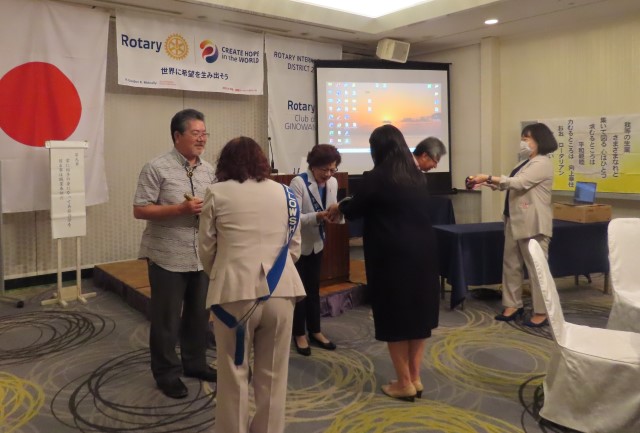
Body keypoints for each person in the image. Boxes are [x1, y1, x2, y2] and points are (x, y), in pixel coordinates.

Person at [198, 137, 305, 433]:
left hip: (233, 292)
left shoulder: (216, 192)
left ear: (225, 163)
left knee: (233, 373)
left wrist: (222, 273)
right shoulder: (286, 193)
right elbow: (294, 247)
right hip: (282, 290)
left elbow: (206, 249)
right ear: (261, 161)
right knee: (274, 375)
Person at [335, 124, 440, 402]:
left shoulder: (377, 177)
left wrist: (340, 206)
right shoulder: (417, 177)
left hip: (392, 256)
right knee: (417, 315)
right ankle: (415, 378)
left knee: (395, 315)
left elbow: (354, 209)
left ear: (377, 149)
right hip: (424, 253)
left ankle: (403, 383)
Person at [133, 108, 218, 399]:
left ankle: (195, 363)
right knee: (166, 319)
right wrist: (180, 209)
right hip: (167, 256)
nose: (202, 139)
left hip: (201, 256)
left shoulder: (209, 170)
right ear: (177, 136)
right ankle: (166, 373)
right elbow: (140, 209)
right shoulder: (156, 167)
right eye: (196, 133)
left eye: (204, 133)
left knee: (199, 315)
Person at [467, 122, 558, 327]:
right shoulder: (525, 163)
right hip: (514, 220)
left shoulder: (542, 163)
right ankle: (512, 305)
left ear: (539, 140)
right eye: (522, 138)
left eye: (526, 138)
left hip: (533, 223)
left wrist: (488, 176)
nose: (522, 142)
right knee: (511, 265)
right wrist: (487, 183)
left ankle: (542, 311)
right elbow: (511, 184)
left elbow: (519, 183)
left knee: (536, 270)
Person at [289, 144, 342, 356]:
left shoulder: (333, 182)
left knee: (313, 289)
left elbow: (333, 208)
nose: (328, 175)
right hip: (299, 246)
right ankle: (299, 333)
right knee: (299, 292)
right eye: (324, 170)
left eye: (332, 170)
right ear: (312, 166)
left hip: (317, 243)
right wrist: (318, 217)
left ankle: (315, 330)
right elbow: (294, 219)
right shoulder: (298, 182)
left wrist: (336, 215)